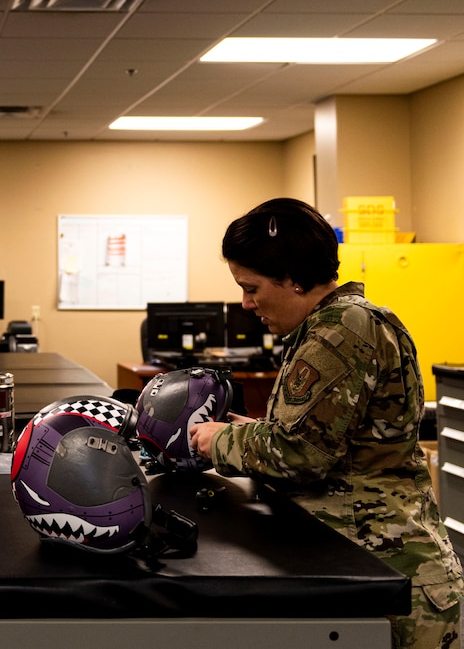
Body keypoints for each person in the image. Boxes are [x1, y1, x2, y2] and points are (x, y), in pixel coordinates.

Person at [190, 198, 463, 649]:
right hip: (371, 565)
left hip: (388, 571)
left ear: (294, 278)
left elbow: (301, 455)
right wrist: (249, 432)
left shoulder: (341, 331)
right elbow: (326, 437)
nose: (245, 302)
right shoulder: (332, 325)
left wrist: (222, 441)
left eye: (252, 287)